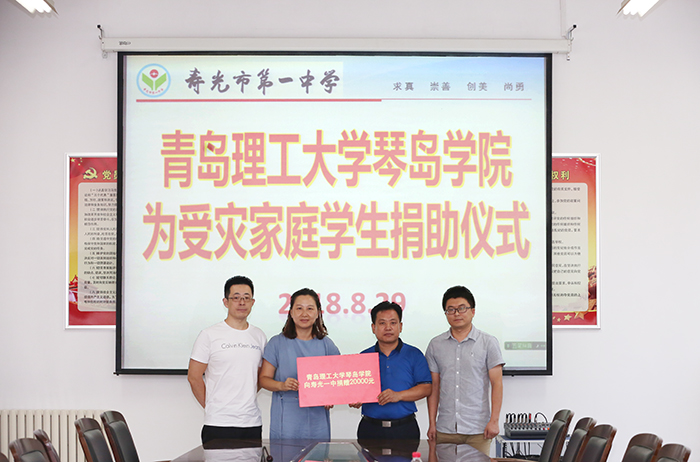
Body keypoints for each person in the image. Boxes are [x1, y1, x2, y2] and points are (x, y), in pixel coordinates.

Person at [187, 275, 267, 443]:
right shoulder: (209, 335)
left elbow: (260, 376)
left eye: (246, 298)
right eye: (236, 298)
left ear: (253, 302)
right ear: (226, 302)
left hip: (251, 423)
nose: (242, 302)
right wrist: (211, 407)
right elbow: (194, 377)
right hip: (218, 423)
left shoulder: (258, 335)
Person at [426, 285, 504, 455]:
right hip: (445, 429)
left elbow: (497, 383)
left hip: (478, 430)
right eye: (451, 310)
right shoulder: (435, 345)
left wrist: (494, 421)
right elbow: (434, 387)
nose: (456, 313)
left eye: (462, 308)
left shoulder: (488, 342)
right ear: (446, 313)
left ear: (473, 311)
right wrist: (432, 423)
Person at [260, 288, 340, 439]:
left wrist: (331, 396)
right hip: (287, 419)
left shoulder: (326, 344)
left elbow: (339, 379)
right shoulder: (277, 343)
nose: (304, 314)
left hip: (318, 419)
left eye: (310, 309)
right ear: (291, 312)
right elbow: (264, 379)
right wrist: (281, 385)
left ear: (318, 313)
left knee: (317, 452)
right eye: (299, 308)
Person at [351, 301, 432, 440]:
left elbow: (426, 388)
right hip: (370, 428)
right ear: (373, 327)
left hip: (405, 428)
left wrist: (398, 395)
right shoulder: (364, 357)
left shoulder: (414, 354)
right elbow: (355, 390)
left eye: (393, 323)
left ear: (400, 326)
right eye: (382, 323)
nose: (388, 327)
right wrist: (354, 398)